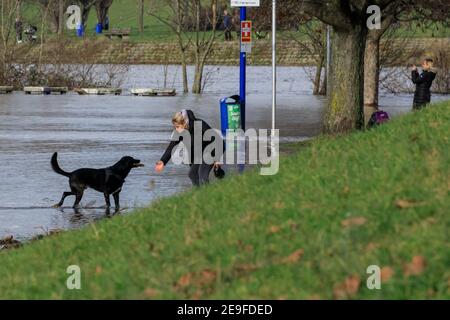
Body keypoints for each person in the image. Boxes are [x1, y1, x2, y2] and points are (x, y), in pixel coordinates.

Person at [155, 110, 223, 186]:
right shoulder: (179, 132)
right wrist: (162, 161)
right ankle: (199, 194)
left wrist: (217, 159)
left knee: (202, 175)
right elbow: (171, 147)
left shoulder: (199, 124)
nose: (176, 130)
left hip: (211, 151)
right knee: (192, 174)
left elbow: (218, 140)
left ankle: (207, 195)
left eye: (178, 126)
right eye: (175, 127)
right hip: (198, 155)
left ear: (184, 123)